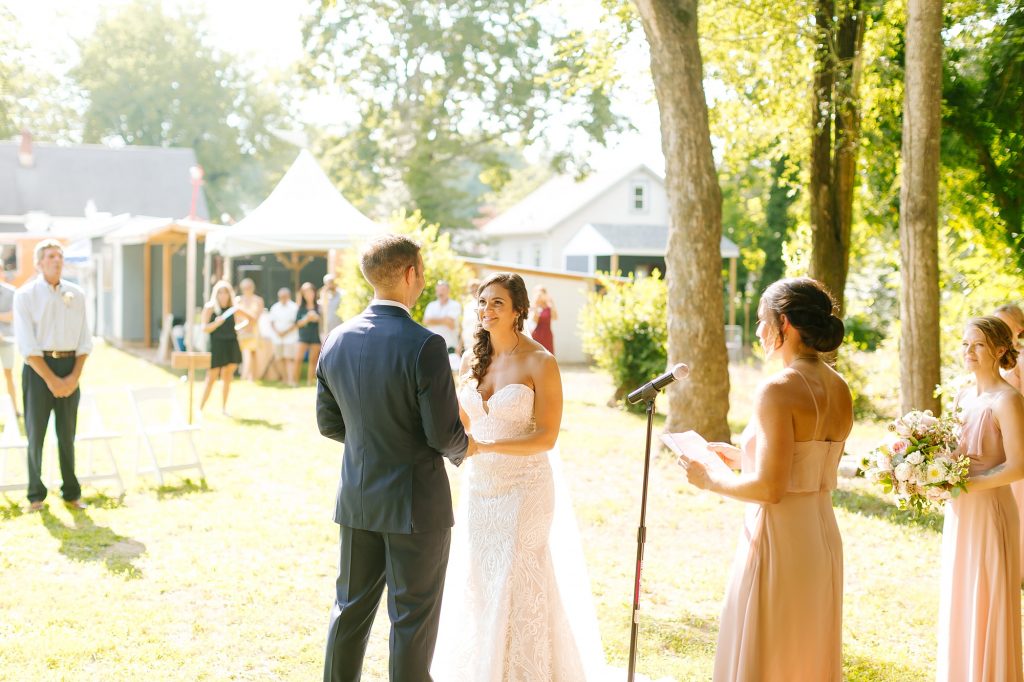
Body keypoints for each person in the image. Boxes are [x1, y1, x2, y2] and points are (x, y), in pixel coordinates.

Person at [432, 272, 605, 681]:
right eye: (482, 302)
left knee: (516, 575)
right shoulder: (470, 359)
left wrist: (487, 447)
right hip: (480, 488)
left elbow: (546, 436)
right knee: (484, 575)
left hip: (525, 489)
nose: (486, 310)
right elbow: (460, 421)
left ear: (519, 311)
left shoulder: (540, 362)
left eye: (497, 303)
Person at [317, 234, 473, 682]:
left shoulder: (336, 341)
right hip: (415, 505)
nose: (423, 281)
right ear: (410, 274)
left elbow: (329, 424)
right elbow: (444, 435)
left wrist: (374, 440)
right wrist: (470, 447)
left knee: (349, 611)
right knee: (411, 622)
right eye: (422, 272)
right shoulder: (425, 345)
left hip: (358, 498)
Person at [681, 277, 851, 681]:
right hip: (822, 534)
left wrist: (710, 480)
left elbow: (771, 489)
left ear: (785, 324)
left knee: (769, 649)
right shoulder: (840, 387)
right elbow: (807, 459)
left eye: (761, 320)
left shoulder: (777, 389)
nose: (758, 330)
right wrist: (743, 457)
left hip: (780, 537)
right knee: (805, 650)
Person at [937, 316, 1024, 682]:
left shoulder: (1009, 400)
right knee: (962, 593)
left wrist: (966, 485)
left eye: (977, 345)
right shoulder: (961, 395)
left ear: (1000, 349)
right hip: (960, 512)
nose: (968, 352)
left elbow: (1018, 467)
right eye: (964, 344)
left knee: (987, 596)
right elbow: (950, 451)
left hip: (990, 510)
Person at [14, 239, 93, 512]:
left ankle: (71, 491)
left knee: (67, 434)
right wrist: (51, 379)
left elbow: (85, 340)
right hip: (38, 370)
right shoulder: (25, 296)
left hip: (71, 366)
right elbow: (27, 345)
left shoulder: (77, 294)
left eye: (59, 256)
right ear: (39, 263)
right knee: (36, 433)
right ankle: (36, 494)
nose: (57, 260)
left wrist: (72, 377)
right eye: (50, 256)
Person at [200, 281, 256, 416]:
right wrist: (216, 323)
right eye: (220, 292)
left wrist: (238, 328)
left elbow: (251, 319)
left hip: (231, 344)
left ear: (229, 294)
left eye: (225, 292)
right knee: (211, 378)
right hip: (216, 345)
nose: (223, 295)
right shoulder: (210, 307)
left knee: (227, 378)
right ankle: (200, 409)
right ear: (216, 294)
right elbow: (204, 328)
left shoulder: (234, 308)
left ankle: (224, 408)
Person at [292, 281, 322, 386]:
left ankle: (310, 381)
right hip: (303, 336)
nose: (309, 294)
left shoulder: (319, 306)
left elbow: (323, 321)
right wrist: (307, 319)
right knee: (298, 359)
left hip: (315, 335)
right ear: (303, 295)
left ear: (314, 293)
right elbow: (297, 324)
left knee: (313, 360)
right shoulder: (300, 307)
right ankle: (295, 381)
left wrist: (317, 318)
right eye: (306, 293)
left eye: (311, 292)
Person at [234, 278, 264, 381]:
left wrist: (250, 326)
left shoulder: (258, 300)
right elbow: (236, 317)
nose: (247, 289)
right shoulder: (238, 300)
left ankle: (251, 376)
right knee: (242, 352)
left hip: (253, 329)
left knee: (252, 352)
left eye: (249, 287)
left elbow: (258, 315)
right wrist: (241, 328)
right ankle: (242, 374)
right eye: (245, 287)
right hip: (240, 329)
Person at [268, 287, 299, 386]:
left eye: (285, 296)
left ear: (289, 296)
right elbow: (271, 322)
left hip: (290, 338)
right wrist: (278, 332)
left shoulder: (294, 307)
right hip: (277, 338)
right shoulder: (275, 307)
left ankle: (291, 380)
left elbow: (296, 323)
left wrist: (285, 332)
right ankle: (284, 379)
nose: (283, 298)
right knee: (279, 359)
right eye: (281, 296)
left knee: (289, 358)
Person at [0, 276, 21, 416]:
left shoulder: (11, 292)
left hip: (6, 340)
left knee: (9, 374)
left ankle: (15, 410)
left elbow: (13, 315)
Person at [423, 281, 461, 354]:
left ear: (448, 291)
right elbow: (426, 321)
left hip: (450, 348)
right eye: (438, 290)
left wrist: (433, 320)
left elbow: (450, 322)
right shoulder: (431, 305)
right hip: (432, 347)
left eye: (443, 290)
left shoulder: (455, 305)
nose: (440, 293)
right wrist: (444, 320)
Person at [994, 303, 1024, 392]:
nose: (997, 329)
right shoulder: (994, 356)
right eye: (995, 324)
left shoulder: (1022, 358)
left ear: (1019, 329)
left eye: (1003, 325)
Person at [530, 284, 557, 355]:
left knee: (549, 358)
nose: (540, 295)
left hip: (547, 335)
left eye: (543, 292)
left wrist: (551, 302)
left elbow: (555, 317)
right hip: (536, 336)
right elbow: (534, 321)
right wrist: (535, 306)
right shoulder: (533, 307)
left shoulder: (549, 307)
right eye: (538, 293)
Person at [457, 279, 480, 356]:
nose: (474, 293)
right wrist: (460, 345)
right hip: (468, 346)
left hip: (480, 345)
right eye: (472, 291)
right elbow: (464, 328)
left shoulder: (484, 305)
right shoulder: (467, 306)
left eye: (476, 290)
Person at [319, 273, 343, 340]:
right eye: (328, 283)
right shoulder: (324, 296)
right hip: (328, 331)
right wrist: (323, 296)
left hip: (340, 329)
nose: (331, 284)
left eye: (332, 282)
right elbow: (321, 311)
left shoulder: (342, 294)